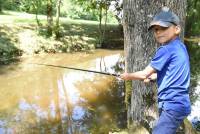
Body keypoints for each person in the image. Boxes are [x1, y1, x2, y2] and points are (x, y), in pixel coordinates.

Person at [120, 7, 191, 134]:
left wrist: (127, 76)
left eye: (164, 28)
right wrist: (155, 77)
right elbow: (174, 71)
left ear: (177, 29)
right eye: (156, 29)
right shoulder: (180, 47)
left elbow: (143, 74)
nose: (158, 32)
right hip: (181, 103)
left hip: (172, 105)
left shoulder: (165, 49)